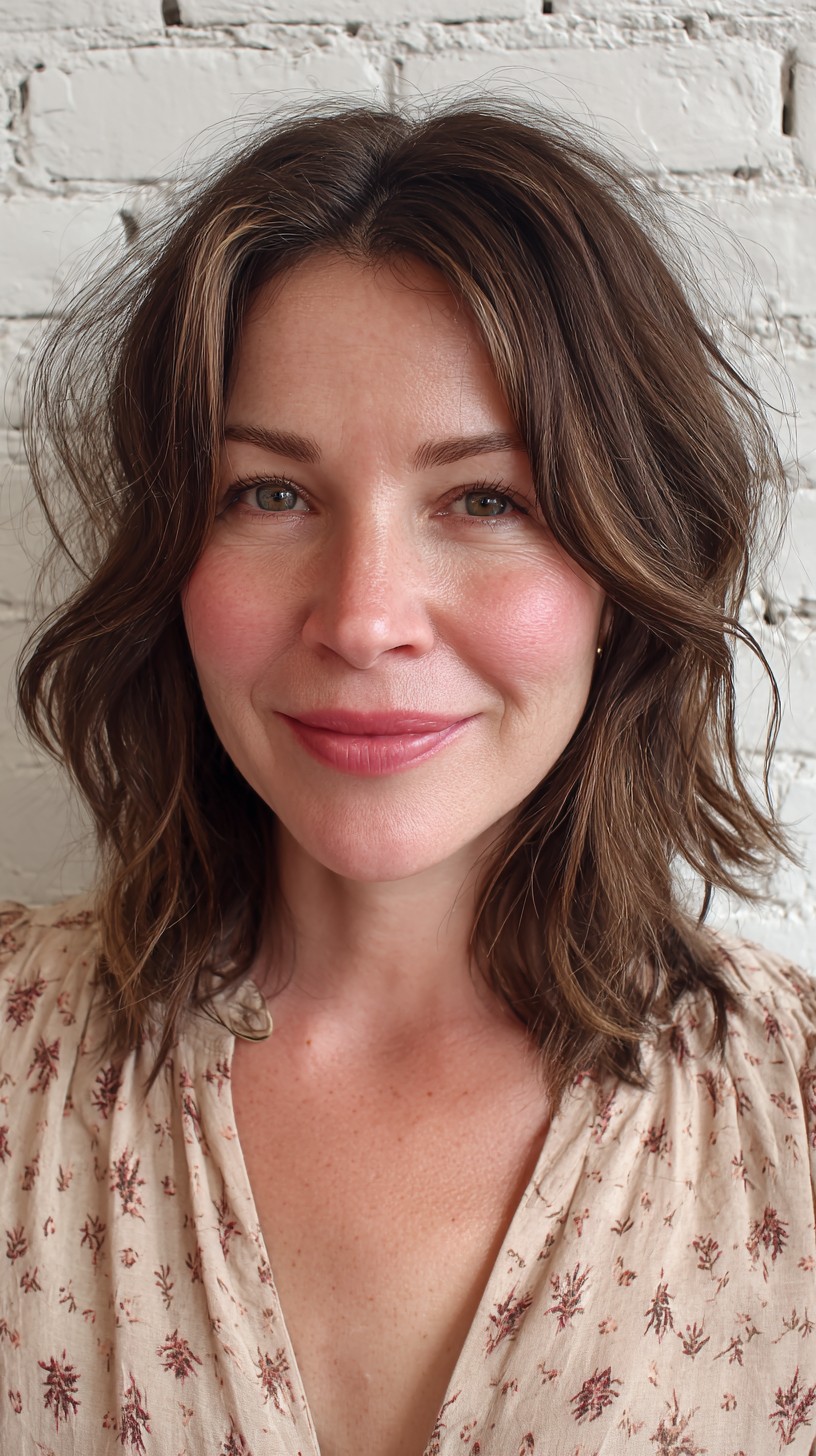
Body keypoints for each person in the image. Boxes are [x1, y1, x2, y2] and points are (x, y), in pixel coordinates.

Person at [1, 91, 814, 1456]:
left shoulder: (794, 1115)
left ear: (624, 570)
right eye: (270, 494)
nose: (365, 617)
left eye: (485, 499)